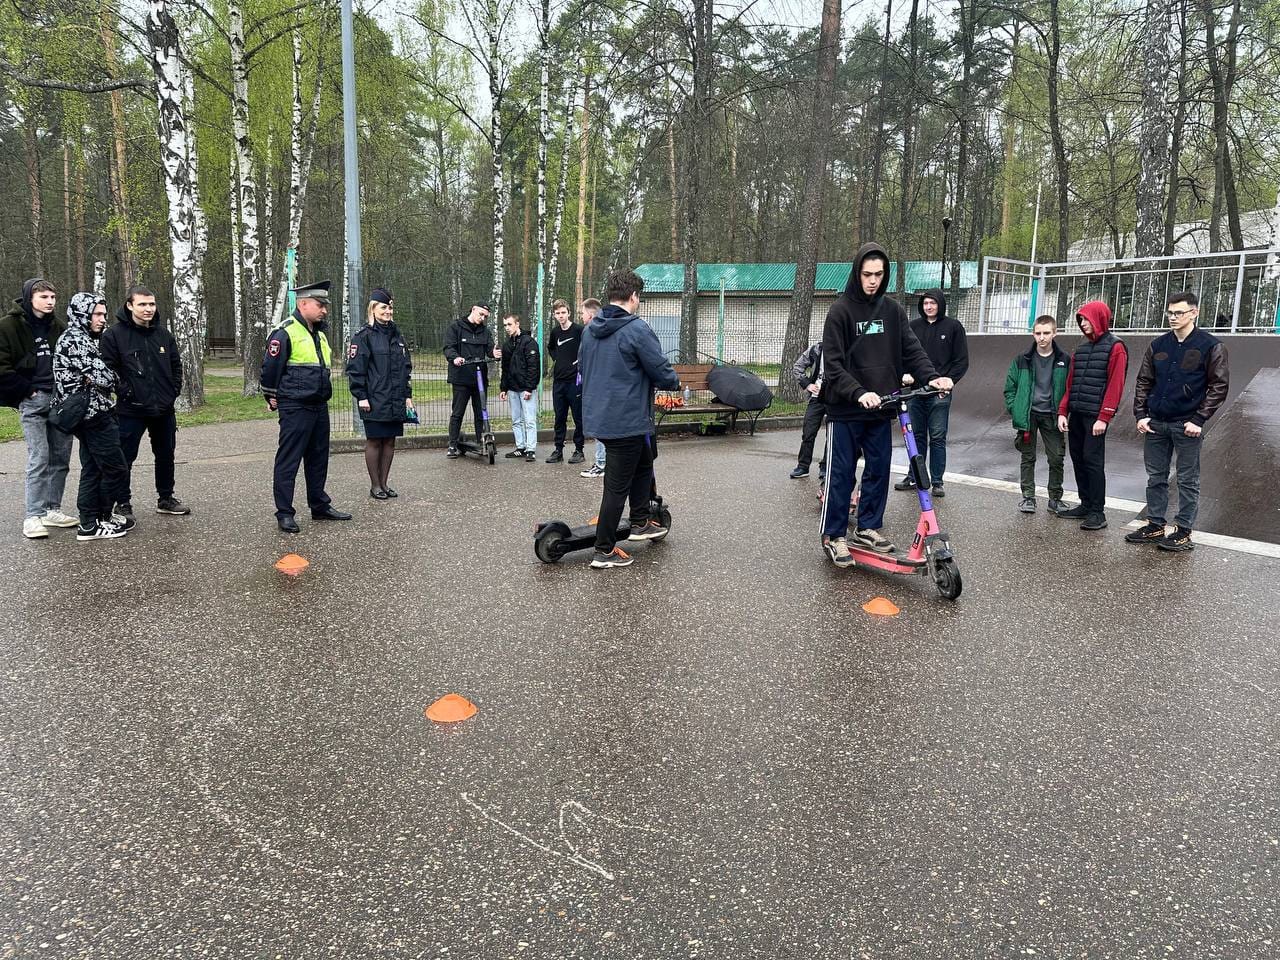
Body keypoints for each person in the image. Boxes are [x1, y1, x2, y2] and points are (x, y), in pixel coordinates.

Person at [819, 242, 953, 567]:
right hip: (846, 410)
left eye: (879, 274)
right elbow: (833, 366)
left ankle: (867, 528)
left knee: (878, 471)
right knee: (841, 475)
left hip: (882, 407)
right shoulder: (840, 312)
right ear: (857, 273)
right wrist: (858, 392)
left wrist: (932, 377)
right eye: (867, 274)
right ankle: (834, 535)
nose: (873, 281)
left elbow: (912, 349)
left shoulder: (892, 311)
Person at [578, 269, 679, 569]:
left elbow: (585, 366)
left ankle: (640, 521)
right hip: (627, 418)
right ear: (634, 296)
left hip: (601, 416)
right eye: (639, 297)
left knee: (644, 460)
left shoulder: (590, 329)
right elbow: (661, 371)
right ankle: (603, 550)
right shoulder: (637, 329)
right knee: (616, 486)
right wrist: (672, 382)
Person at [1126, 291, 1229, 552]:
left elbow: (1219, 385)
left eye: (1179, 313)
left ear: (1194, 313)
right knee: (1156, 477)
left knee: (1187, 479)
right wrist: (1141, 414)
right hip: (1156, 423)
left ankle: (1183, 531)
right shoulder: (1158, 345)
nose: (1173, 317)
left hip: (1186, 425)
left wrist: (1199, 418)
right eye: (1170, 313)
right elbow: (1143, 381)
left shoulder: (1210, 346)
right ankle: (1155, 524)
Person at [261, 280, 351, 533]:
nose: (324, 310)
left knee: (318, 458)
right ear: (303, 304)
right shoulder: (285, 332)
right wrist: (270, 396)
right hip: (295, 406)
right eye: (320, 305)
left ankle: (319, 505)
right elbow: (270, 369)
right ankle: (285, 513)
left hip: (318, 404)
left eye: (325, 306)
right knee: (289, 460)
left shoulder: (319, 333)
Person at [99, 285, 189, 520]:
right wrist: (126, 392)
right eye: (142, 304)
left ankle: (166, 498)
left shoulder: (163, 335)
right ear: (129, 305)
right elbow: (109, 369)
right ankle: (123, 503)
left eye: (151, 304)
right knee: (125, 457)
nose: (148, 309)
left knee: (166, 454)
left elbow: (176, 365)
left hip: (163, 408)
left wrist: (173, 390)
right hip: (131, 410)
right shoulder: (114, 335)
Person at [0, 277, 77, 539]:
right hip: (33, 399)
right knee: (39, 457)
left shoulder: (58, 327)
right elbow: (2, 365)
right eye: (44, 297)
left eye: (53, 298)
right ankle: (32, 516)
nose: (50, 302)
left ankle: (51, 509)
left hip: (60, 399)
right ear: (30, 298)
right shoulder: (8, 326)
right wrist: (25, 391)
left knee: (61, 457)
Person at [54, 293, 133, 541]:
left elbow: (98, 375)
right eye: (96, 314)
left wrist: (99, 377)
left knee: (94, 467)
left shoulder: (81, 338)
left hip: (91, 412)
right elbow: (105, 376)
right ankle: (91, 523)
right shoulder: (76, 340)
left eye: (103, 314)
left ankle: (97, 519)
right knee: (114, 468)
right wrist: (113, 381)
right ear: (82, 314)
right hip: (92, 415)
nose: (102, 320)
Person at [1055, 300, 1128, 530]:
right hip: (1076, 413)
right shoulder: (1082, 349)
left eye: (1086, 319)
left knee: (1093, 461)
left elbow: (1115, 385)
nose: (1083, 324)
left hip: (1095, 418)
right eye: (1081, 320)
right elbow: (1071, 384)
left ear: (1100, 318)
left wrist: (1104, 417)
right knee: (1078, 458)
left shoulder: (1116, 347)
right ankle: (1085, 504)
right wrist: (1063, 411)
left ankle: (1098, 512)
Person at [894, 288, 968, 497]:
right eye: (926, 303)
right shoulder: (913, 327)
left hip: (940, 393)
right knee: (915, 436)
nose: (929, 307)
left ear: (940, 304)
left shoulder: (953, 327)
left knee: (937, 436)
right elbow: (903, 355)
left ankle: (937, 481)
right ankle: (914, 476)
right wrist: (905, 374)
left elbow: (961, 360)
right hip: (917, 391)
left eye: (933, 303)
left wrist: (949, 381)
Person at [346, 287, 413, 499]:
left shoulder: (397, 334)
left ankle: (384, 483)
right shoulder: (364, 336)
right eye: (384, 307)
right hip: (374, 398)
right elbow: (356, 369)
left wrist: (407, 395)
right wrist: (361, 396)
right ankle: (375, 485)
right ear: (373, 309)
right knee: (375, 440)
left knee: (390, 441)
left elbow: (405, 368)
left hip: (395, 398)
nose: (388, 311)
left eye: (390, 307)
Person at [1003, 315, 1069, 513]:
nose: (1042, 337)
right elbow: (1010, 388)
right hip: (1028, 414)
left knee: (1056, 457)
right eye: (1038, 333)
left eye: (1046, 333)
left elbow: (1069, 389)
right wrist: (1016, 409)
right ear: (1033, 334)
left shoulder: (1064, 360)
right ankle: (1028, 497)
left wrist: (1063, 412)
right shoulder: (1022, 359)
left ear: (1054, 333)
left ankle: (1055, 499)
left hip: (1052, 415)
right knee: (1027, 456)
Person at [443, 301, 498, 458]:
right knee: (458, 412)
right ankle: (452, 444)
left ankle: (481, 440)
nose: (483, 318)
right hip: (461, 377)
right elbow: (448, 347)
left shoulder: (485, 332)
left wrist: (495, 353)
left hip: (479, 377)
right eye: (481, 314)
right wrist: (455, 358)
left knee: (481, 413)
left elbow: (490, 349)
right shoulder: (456, 327)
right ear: (473, 309)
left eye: (486, 316)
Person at [545, 298, 585, 464]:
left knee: (578, 417)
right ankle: (558, 449)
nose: (561, 316)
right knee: (559, 417)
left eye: (563, 313)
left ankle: (579, 450)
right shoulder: (555, 332)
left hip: (575, 382)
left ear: (569, 313)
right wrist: (560, 361)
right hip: (559, 382)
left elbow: (587, 349)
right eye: (557, 313)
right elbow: (551, 348)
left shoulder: (579, 330)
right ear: (554, 315)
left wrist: (577, 365)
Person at [498, 312, 540, 462]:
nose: (507, 328)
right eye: (505, 325)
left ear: (517, 324)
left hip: (525, 389)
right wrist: (503, 388)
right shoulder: (507, 345)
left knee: (529, 420)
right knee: (516, 420)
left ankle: (531, 449)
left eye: (509, 324)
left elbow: (533, 367)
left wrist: (529, 388)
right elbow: (505, 368)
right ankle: (520, 447)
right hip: (513, 388)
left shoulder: (529, 343)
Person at [788, 341, 828, 481]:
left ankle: (825, 467)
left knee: (833, 436)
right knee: (808, 432)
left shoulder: (846, 348)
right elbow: (798, 367)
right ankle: (803, 466)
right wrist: (807, 384)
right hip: (816, 398)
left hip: (836, 399)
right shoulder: (817, 349)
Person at [578, 298, 608, 478]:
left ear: (590, 314)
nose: (581, 317)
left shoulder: (589, 331)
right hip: (608, 384)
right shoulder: (612, 328)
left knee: (599, 426)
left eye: (582, 313)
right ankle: (605, 463)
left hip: (595, 385)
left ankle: (601, 463)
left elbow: (582, 359)